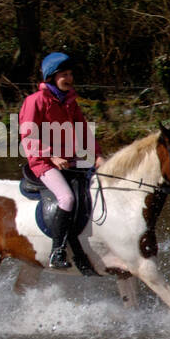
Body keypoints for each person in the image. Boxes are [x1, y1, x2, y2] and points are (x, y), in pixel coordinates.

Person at [18, 52, 103, 269]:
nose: (69, 78)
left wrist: (98, 156)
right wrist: (51, 156)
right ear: (52, 77)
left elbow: (83, 131)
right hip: (43, 162)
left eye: (71, 74)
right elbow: (28, 136)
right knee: (67, 199)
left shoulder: (70, 101)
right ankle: (57, 252)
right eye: (64, 74)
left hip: (70, 160)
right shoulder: (34, 101)